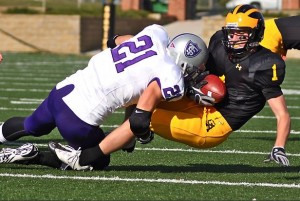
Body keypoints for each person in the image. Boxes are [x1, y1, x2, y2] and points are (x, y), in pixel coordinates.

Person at [0, 24, 210, 170]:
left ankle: (1, 135)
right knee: (97, 159)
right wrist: (141, 134)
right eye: (195, 69)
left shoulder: (156, 35)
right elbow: (137, 120)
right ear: (183, 62)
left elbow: (116, 40)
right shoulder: (170, 76)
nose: (194, 74)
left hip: (63, 90)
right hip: (78, 119)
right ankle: (36, 156)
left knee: (31, 124)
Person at [119, 4, 292, 166]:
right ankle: (126, 138)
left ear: (255, 34)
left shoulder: (264, 64)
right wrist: (193, 84)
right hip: (200, 103)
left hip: (215, 123)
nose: (233, 39)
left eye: (241, 34)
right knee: (140, 95)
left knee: (142, 116)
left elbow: (282, 114)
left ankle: (98, 151)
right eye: (231, 33)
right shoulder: (219, 42)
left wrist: (279, 146)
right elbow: (204, 72)